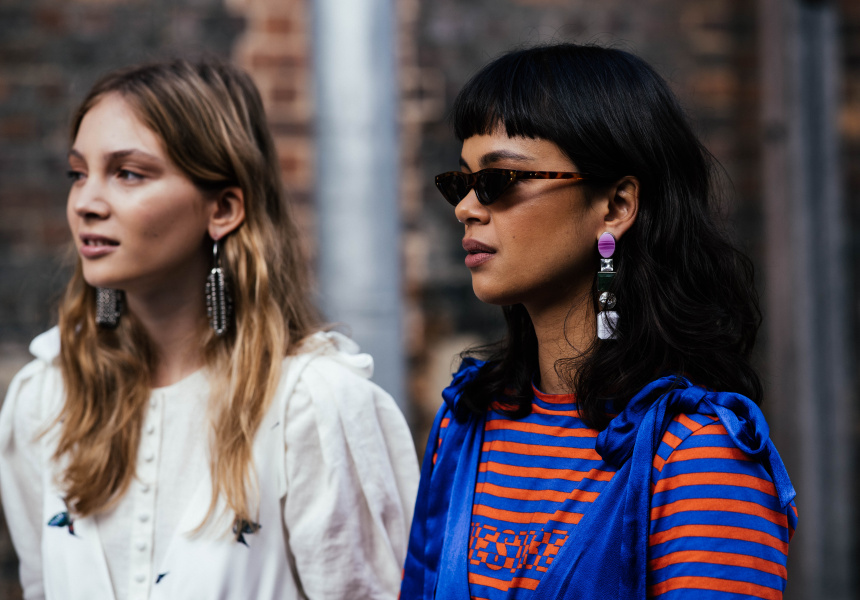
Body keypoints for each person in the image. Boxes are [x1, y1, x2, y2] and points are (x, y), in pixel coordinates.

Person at [0, 58, 418, 600]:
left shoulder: (311, 407)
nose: (85, 203)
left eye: (128, 173)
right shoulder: (47, 399)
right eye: (78, 174)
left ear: (222, 208)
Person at [401, 43, 797, 599]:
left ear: (615, 206)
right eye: (460, 182)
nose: (466, 207)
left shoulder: (698, 457)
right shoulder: (465, 425)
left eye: (499, 179)